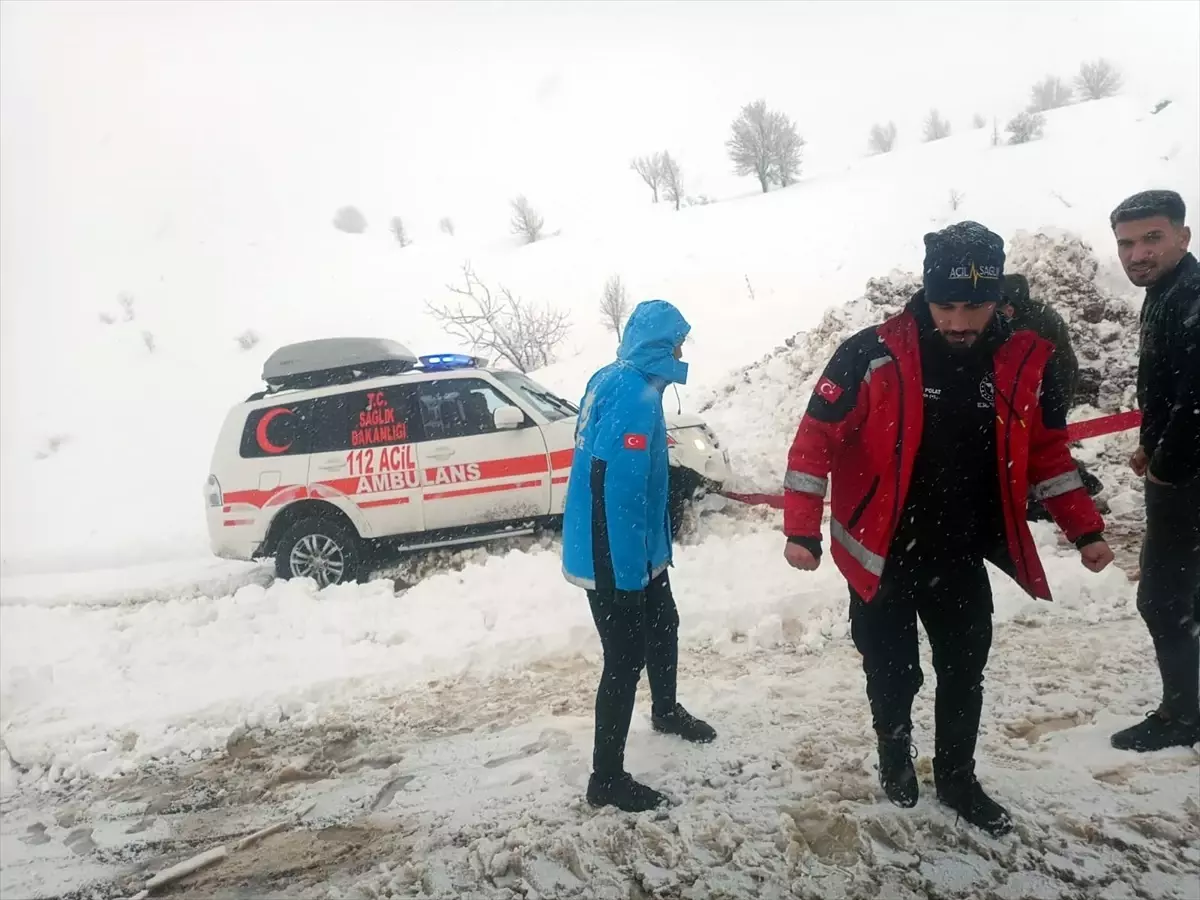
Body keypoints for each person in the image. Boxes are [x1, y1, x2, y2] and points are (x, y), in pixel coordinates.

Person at [782, 222, 1114, 836]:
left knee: (964, 668)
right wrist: (800, 530)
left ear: (998, 299)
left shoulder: (1019, 360)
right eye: (945, 306)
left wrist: (1084, 529)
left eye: (975, 306)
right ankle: (894, 751)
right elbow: (814, 441)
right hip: (880, 553)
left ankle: (958, 776)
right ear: (925, 295)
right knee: (892, 669)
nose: (959, 322)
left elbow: (1046, 453)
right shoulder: (870, 354)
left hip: (960, 549)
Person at [561, 298, 716, 812]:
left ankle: (666, 710)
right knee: (624, 658)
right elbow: (616, 488)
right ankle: (605, 778)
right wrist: (625, 576)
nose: (682, 350)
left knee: (664, 623)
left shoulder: (614, 377)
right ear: (662, 346)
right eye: (678, 342)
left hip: (636, 548)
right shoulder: (637, 396)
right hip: (615, 554)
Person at [1108, 189, 1200, 752]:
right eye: (1125, 243)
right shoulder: (1168, 292)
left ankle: (1182, 717)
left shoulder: (1192, 298)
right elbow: (1166, 387)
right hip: (1179, 466)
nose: (1136, 254)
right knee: (1187, 595)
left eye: (1151, 238)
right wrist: (1151, 442)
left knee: (1163, 598)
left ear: (1183, 237)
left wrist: (1165, 466)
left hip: (1188, 480)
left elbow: (1196, 401)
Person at [1000, 274, 1103, 520]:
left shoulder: (1032, 320)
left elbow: (1024, 361)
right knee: (1039, 443)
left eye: (1005, 305)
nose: (1004, 310)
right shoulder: (1034, 313)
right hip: (1053, 385)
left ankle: (1060, 495)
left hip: (1049, 389)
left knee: (1041, 444)